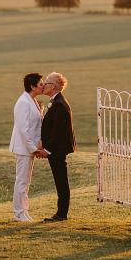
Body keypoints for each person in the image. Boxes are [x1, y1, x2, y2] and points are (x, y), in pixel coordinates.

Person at [8, 73, 45, 222]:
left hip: (28, 148)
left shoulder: (32, 100)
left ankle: (24, 211)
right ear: (32, 86)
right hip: (24, 148)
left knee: (25, 181)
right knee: (22, 181)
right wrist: (33, 148)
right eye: (41, 84)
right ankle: (19, 213)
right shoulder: (23, 102)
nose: (43, 86)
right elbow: (23, 129)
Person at [40, 72, 76, 222]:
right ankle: (61, 212)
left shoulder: (59, 104)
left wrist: (47, 150)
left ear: (53, 86)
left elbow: (57, 132)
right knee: (60, 180)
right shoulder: (56, 101)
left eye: (46, 83)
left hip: (57, 150)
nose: (43, 85)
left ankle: (61, 214)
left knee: (61, 181)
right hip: (55, 149)